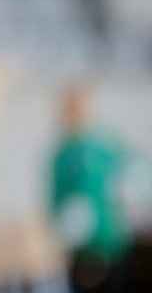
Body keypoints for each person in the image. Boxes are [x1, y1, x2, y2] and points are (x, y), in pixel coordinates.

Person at [49, 83, 129, 293]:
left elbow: (130, 179)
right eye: (70, 108)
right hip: (81, 253)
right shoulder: (61, 156)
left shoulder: (106, 147)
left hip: (111, 247)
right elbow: (54, 203)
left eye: (79, 107)